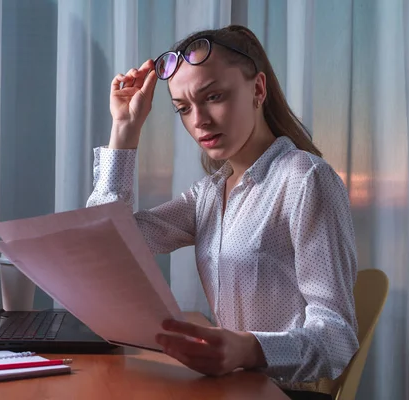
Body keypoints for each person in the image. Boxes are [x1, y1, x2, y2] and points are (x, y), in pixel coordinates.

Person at [87, 24, 358, 400]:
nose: (198, 121)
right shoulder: (209, 195)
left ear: (258, 89)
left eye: (213, 96)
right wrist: (125, 129)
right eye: (183, 108)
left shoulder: (305, 179)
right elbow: (108, 245)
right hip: (233, 388)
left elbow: (338, 339)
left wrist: (248, 349)